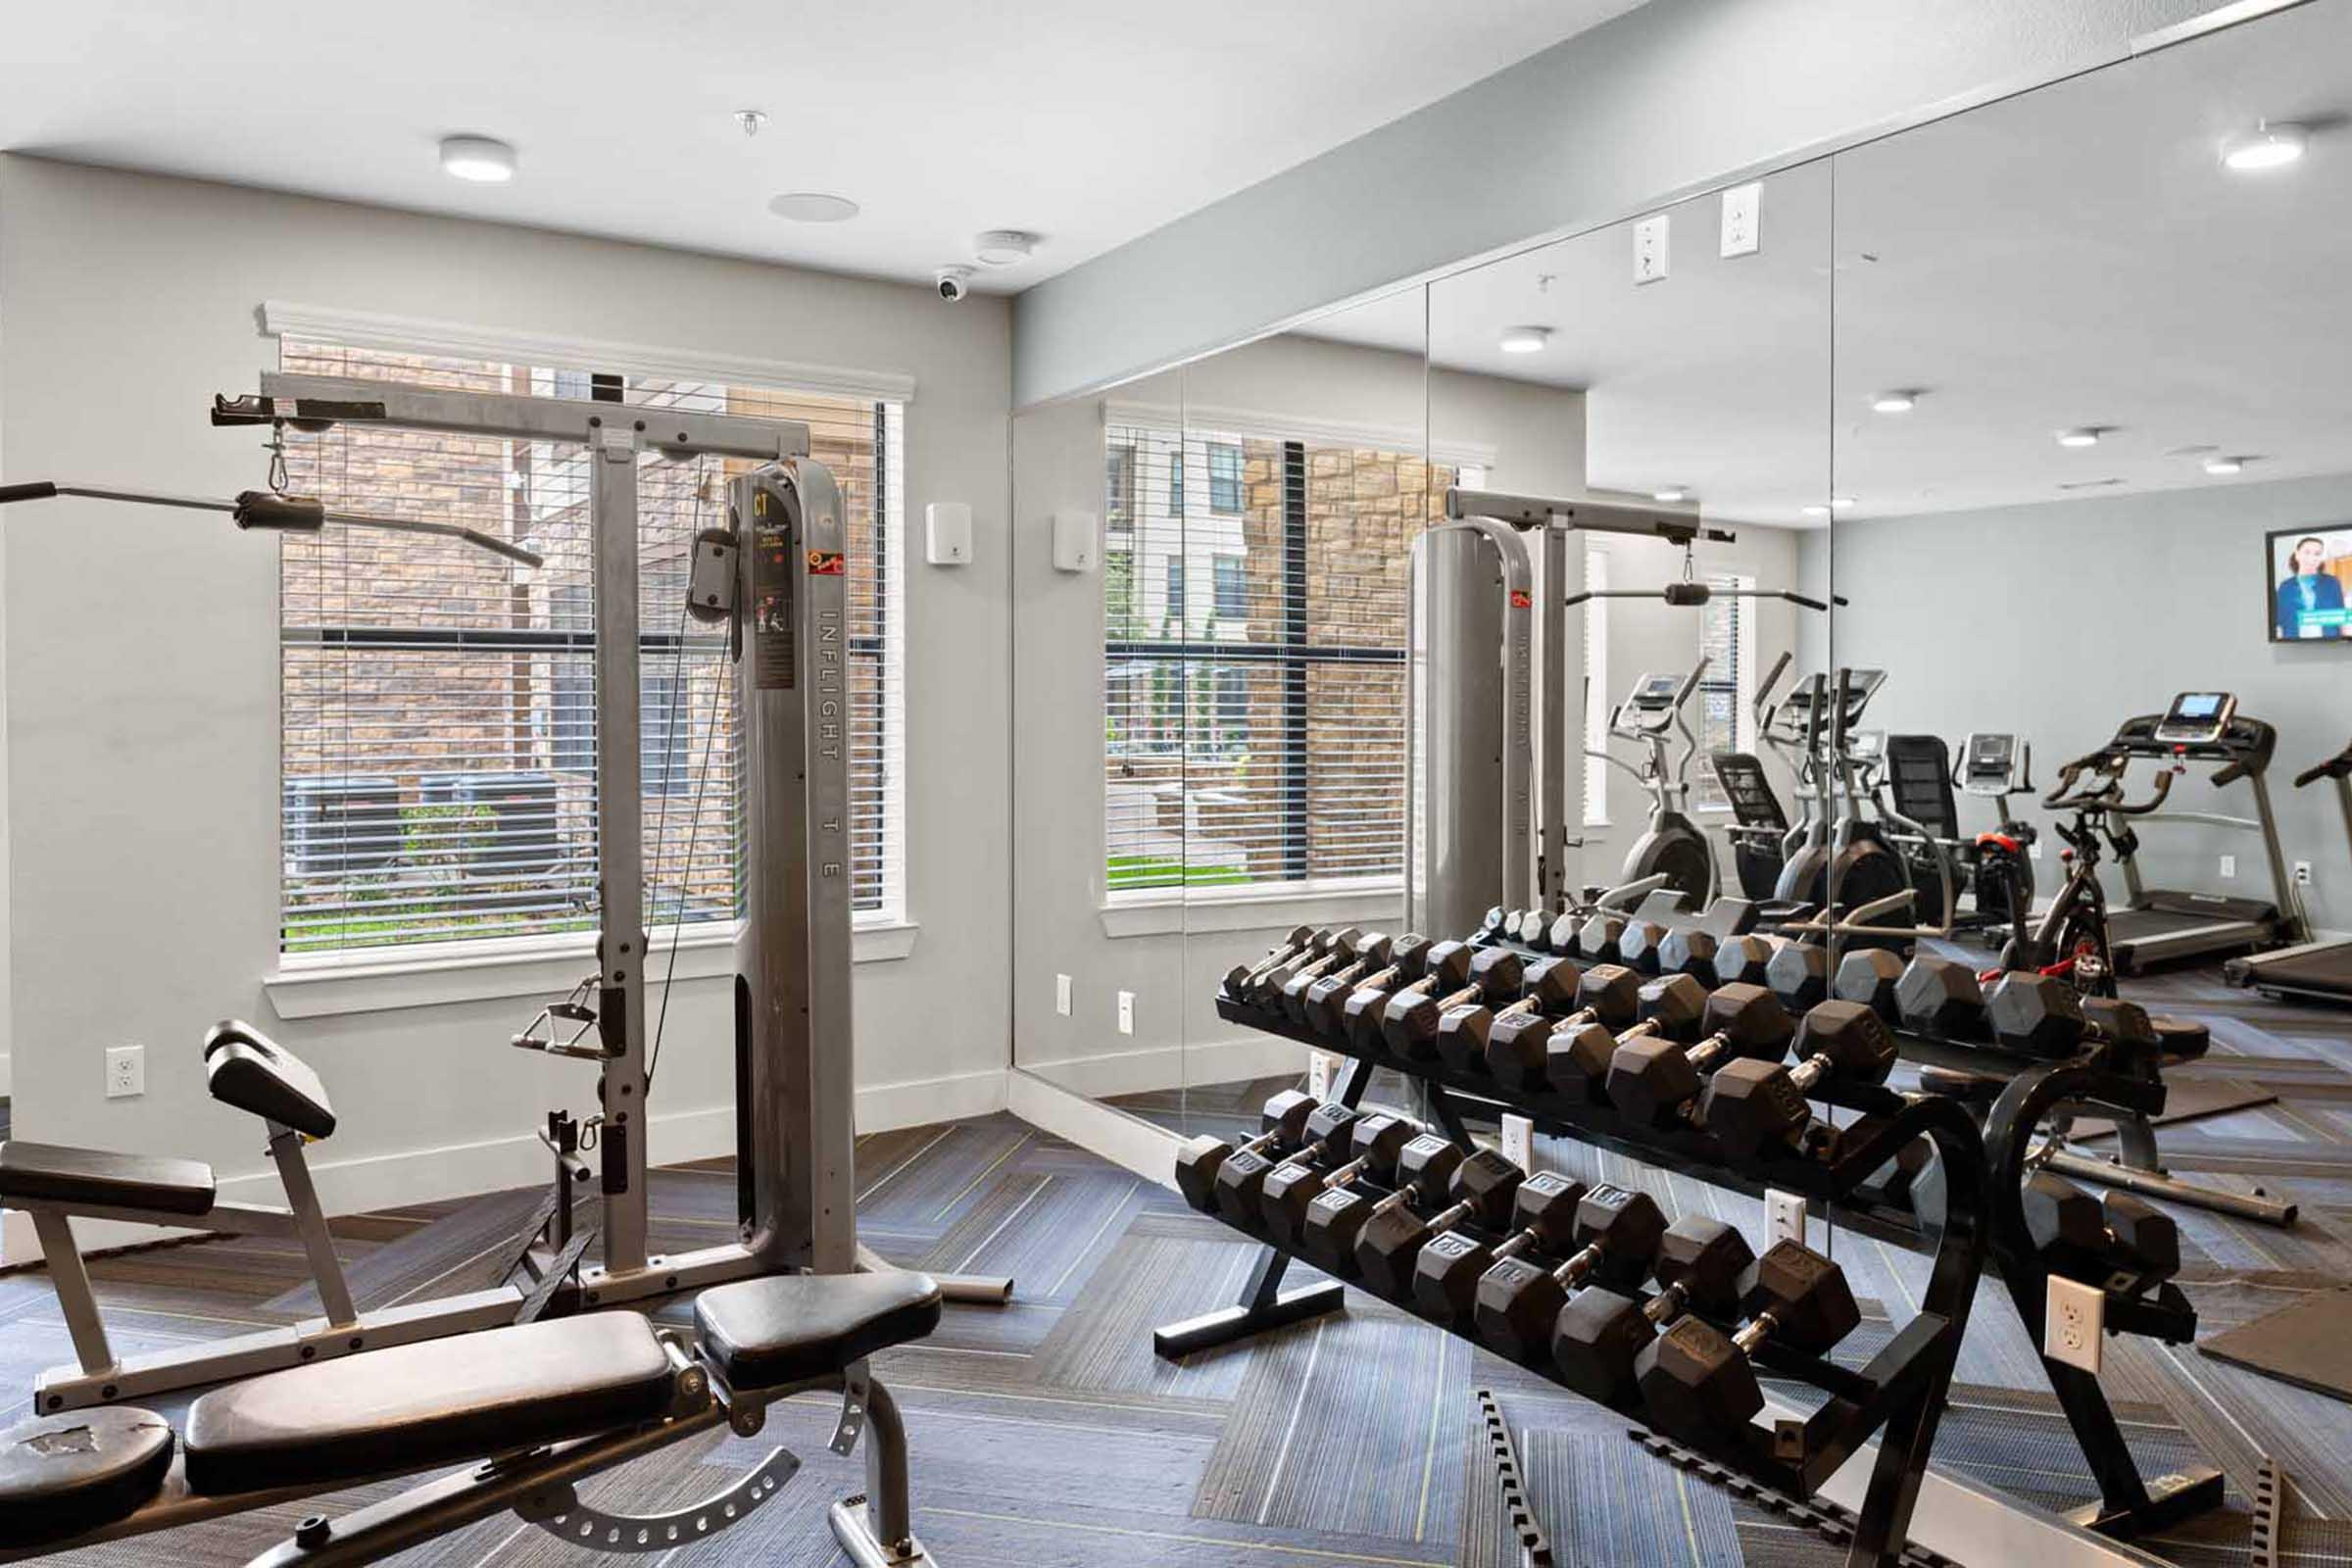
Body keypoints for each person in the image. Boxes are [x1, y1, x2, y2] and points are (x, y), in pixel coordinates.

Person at [2276, 535, 2347, 639]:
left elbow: (2341, 618)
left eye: (2317, 554)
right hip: (2293, 645)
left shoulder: (2332, 582)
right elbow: (2280, 623)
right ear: (2297, 555)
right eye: (2307, 552)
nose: (2312, 558)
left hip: (2330, 644)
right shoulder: (2285, 587)